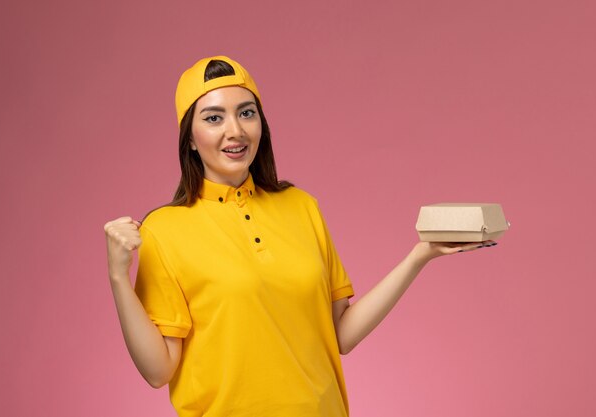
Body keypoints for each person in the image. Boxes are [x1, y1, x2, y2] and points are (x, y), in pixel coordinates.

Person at [104, 55, 495, 417]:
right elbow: (159, 371)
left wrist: (419, 256)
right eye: (213, 118)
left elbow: (340, 333)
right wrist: (119, 278)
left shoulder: (301, 206)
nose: (235, 131)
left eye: (246, 113)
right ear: (189, 138)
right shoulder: (164, 230)